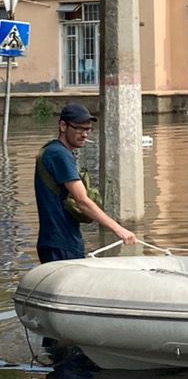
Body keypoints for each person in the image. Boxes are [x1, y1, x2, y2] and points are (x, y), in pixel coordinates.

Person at [35, 102, 138, 263]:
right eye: (79, 129)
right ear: (63, 126)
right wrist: (119, 230)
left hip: (59, 241)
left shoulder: (53, 151)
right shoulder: (59, 154)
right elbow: (82, 201)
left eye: (88, 129)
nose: (84, 134)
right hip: (60, 244)